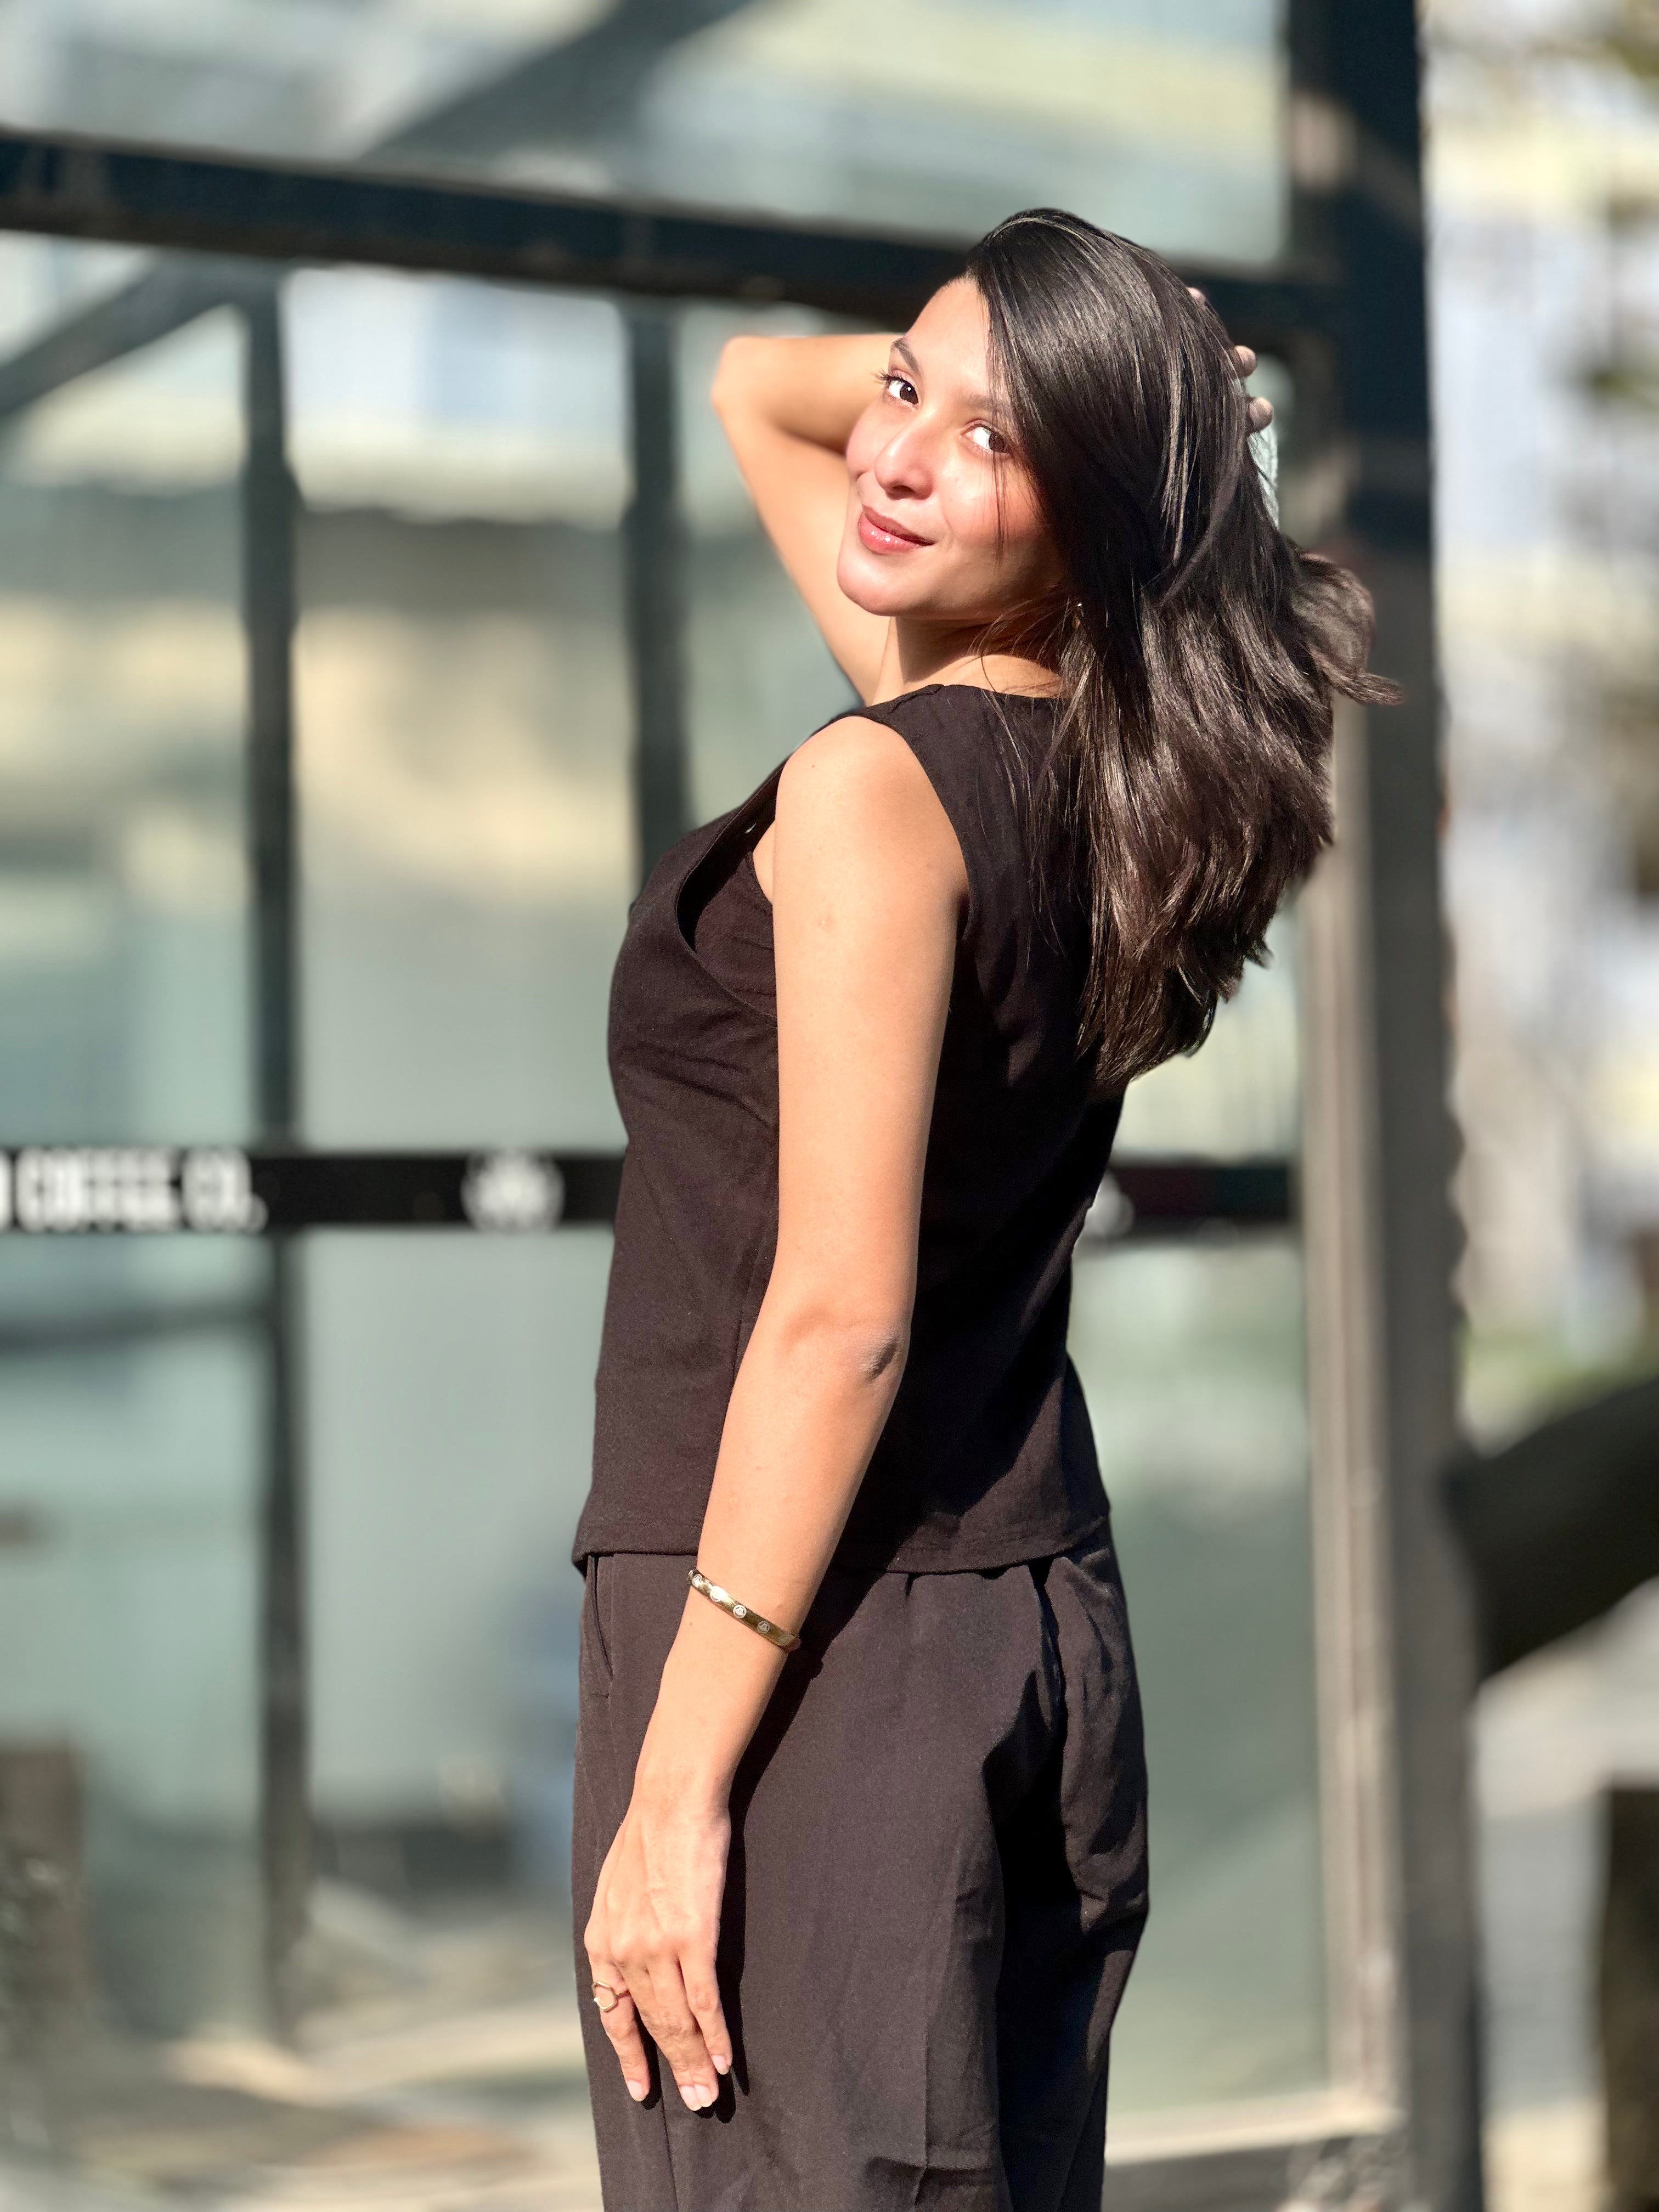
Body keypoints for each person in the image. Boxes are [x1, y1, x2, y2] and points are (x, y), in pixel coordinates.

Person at [569, 206, 1392, 2212]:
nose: (897, 449)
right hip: (1022, 1627)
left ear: (1095, 507)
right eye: (914, 388)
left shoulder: (880, 789)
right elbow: (760, 390)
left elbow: (836, 1315)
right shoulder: (1106, 767)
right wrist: (1101, 382)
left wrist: (678, 1794)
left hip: (811, 1657)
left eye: (993, 443)